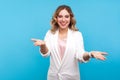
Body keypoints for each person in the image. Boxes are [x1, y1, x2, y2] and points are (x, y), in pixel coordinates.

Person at [31, 5, 107, 80]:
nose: (63, 20)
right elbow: (46, 54)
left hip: (71, 77)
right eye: (60, 16)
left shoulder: (77, 35)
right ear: (56, 18)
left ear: (70, 18)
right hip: (53, 77)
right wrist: (43, 45)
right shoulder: (50, 33)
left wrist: (90, 54)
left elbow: (80, 55)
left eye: (66, 16)